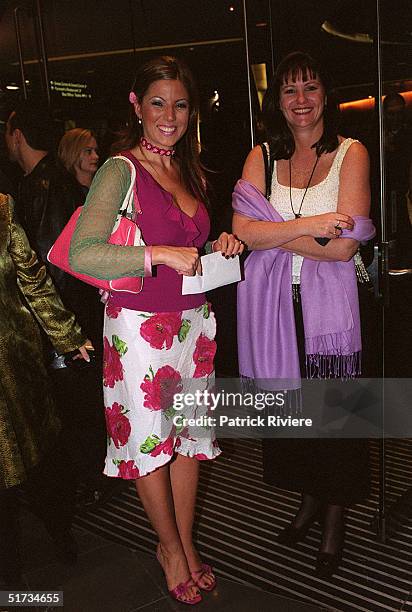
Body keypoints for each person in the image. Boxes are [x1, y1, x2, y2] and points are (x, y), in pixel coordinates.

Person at [69, 55, 244, 605]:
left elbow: (189, 244)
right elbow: (83, 252)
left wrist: (217, 246)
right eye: (158, 103)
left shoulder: (188, 166)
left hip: (193, 324)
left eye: (180, 104)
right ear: (136, 105)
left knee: (190, 442)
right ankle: (168, 549)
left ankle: (187, 544)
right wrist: (159, 254)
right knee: (152, 444)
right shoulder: (120, 169)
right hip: (141, 331)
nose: (170, 115)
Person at [232, 51, 375, 578]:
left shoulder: (351, 153)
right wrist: (315, 224)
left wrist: (278, 236)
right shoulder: (262, 156)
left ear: (325, 94)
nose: (300, 101)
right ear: (278, 100)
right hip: (274, 312)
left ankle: (333, 518)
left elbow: (345, 249)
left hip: (331, 315)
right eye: (290, 91)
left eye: (310, 88)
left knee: (337, 420)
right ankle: (310, 500)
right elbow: (244, 231)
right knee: (296, 424)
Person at [5, 102, 110, 508]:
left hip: (65, 321)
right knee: (83, 406)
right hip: (78, 315)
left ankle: (91, 481)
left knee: (75, 409)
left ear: (17, 134)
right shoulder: (56, 182)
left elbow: (47, 264)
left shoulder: (41, 186)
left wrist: (53, 332)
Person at [0, 192, 91, 586]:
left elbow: (33, 282)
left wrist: (68, 336)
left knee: (41, 461)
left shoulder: (2, 211)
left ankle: (59, 529)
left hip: (15, 367)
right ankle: (9, 574)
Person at [58, 127, 99, 197]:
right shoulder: (63, 194)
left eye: (96, 151)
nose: (96, 156)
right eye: (88, 151)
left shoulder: (103, 185)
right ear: (72, 153)